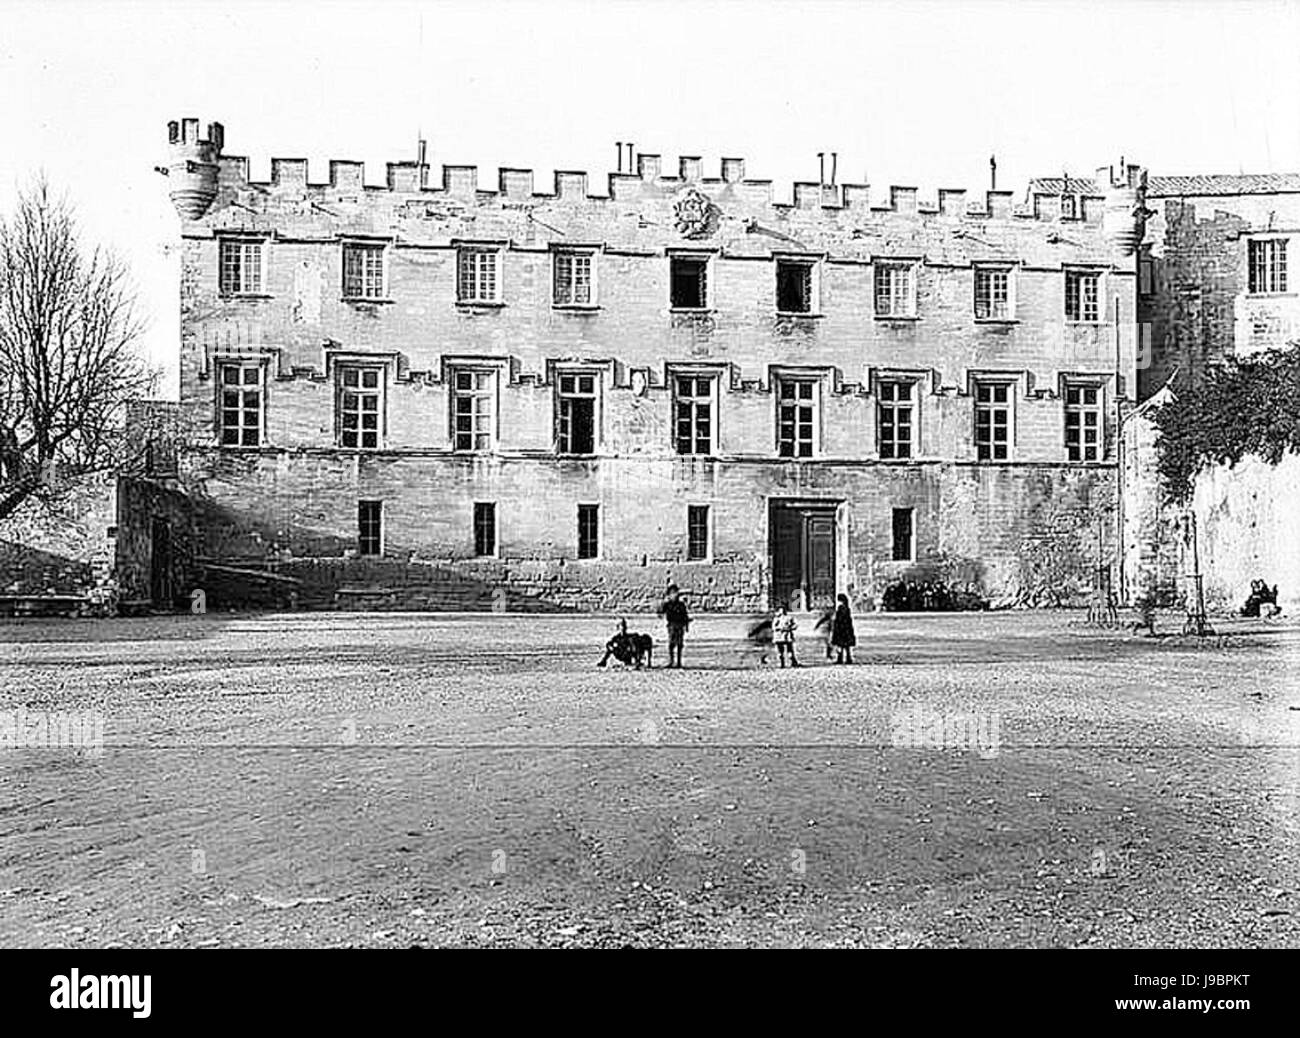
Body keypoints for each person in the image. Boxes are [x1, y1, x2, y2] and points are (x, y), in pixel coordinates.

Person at [659, 584, 691, 669]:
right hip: (672, 625)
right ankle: (671, 661)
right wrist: (663, 603)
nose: (675, 595)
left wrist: (686, 625)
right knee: (671, 644)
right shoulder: (667, 604)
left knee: (680, 644)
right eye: (673, 593)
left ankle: (679, 662)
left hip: (680, 626)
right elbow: (660, 613)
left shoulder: (681, 604)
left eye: (676, 592)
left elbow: (685, 615)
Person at [830, 593, 856, 664]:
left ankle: (840, 659)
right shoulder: (847, 608)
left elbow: (839, 619)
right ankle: (848, 658)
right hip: (847, 629)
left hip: (841, 629)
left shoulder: (841, 608)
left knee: (840, 645)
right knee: (846, 646)